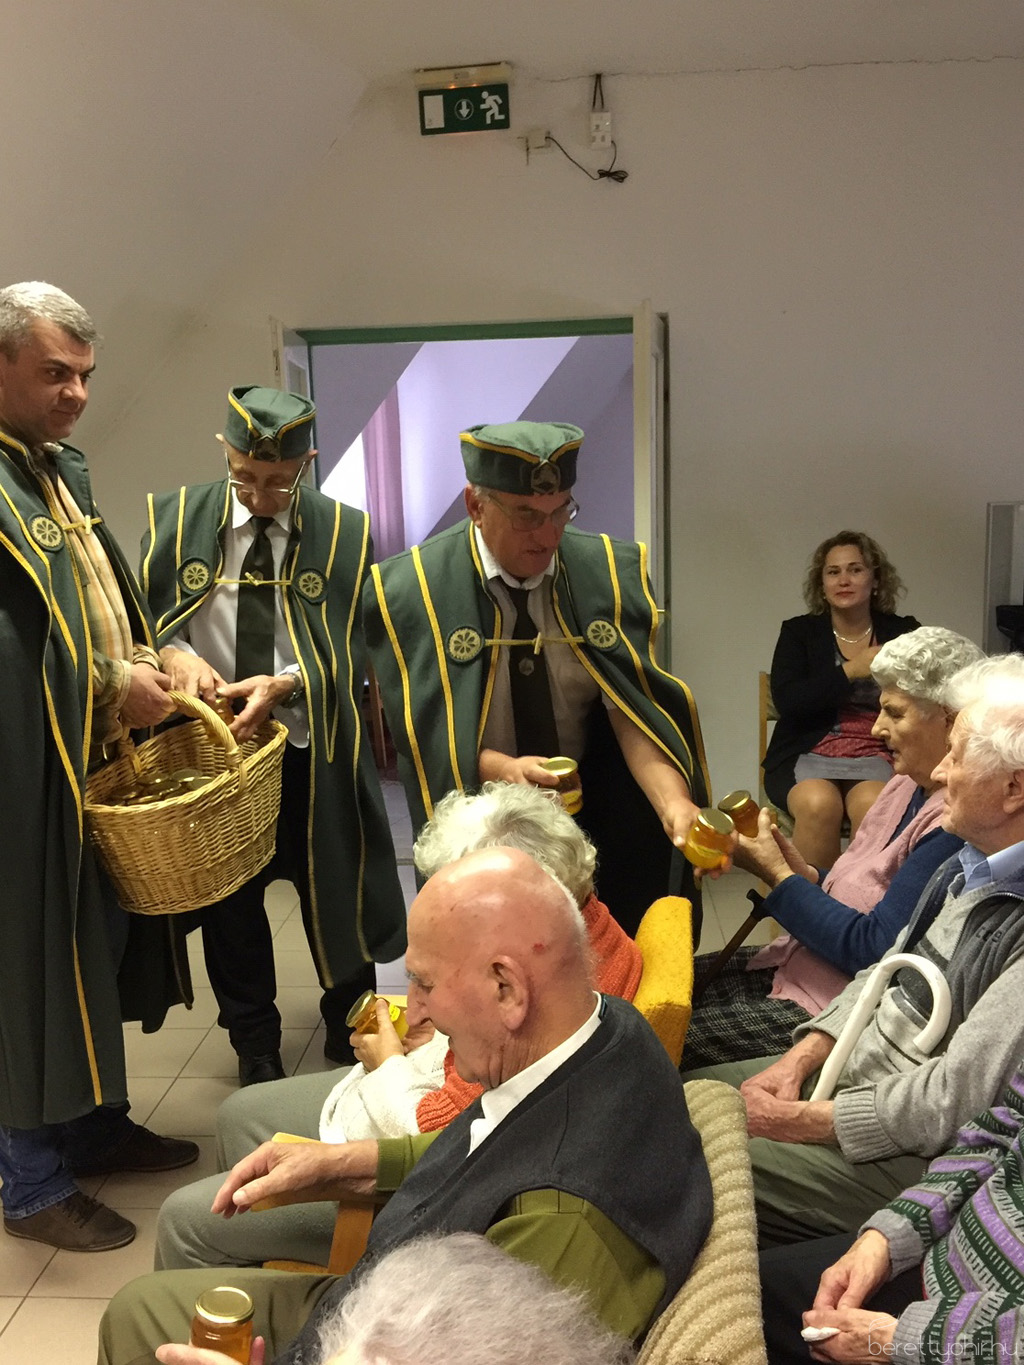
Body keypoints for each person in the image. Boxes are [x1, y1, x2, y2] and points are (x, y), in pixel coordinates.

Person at [99, 848, 714, 1363]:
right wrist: (351, 1163)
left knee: (135, 1317)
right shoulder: (607, 1030)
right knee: (140, 1307)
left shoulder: (562, 1229)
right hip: (398, 1303)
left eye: (424, 983)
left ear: (507, 989)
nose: (414, 1010)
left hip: (376, 1332)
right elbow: (499, 1150)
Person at [153, 782, 645, 1272]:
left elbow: (443, 1138)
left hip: (421, 1197)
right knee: (237, 1114)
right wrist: (441, 1035)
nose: (417, 1005)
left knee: (185, 1218)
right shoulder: (581, 936)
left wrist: (388, 1061)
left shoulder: (550, 998)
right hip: (424, 1128)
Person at [684, 653, 1024, 1246]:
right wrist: (798, 1061)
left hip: (913, 1149)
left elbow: (953, 1101)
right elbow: (882, 970)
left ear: (1013, 788)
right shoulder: (968, 863)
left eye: (958, 755)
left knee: (683, 1157)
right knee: (680, 1101)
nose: (940, 772)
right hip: (857, 1076)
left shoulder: (1003, 906)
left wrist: (807, 1120)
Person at [0, 281, 197, 1253]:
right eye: (54, 373)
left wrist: (160, 653)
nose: (76, 393)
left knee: (91, 953)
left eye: (84, 375)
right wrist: (110, 684)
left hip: (88, 766)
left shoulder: (51, 470)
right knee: (27, 968)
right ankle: (30, 1181)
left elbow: (98, 595)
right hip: (20, 776)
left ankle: (88, 1125)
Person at [140, 386, 406, 1084]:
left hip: (311, 743)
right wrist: (176, 653)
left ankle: (350, 1019)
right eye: (245, 478)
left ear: (306, 463)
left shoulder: (344, 531)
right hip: (218, 749)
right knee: (230, 902)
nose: (261, 496)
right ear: (224, 452)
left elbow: (359, 642)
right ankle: (253, 1041)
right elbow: (147, 624)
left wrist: (287, 682)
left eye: (280, 481)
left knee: (335, 882)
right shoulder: (174, 520)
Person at [362, 420, 711, 937]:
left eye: (561, 511)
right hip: (483, 808)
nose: (549, 537)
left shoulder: (607, 572)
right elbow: (424, 733)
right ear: (475, 505)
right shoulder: (408, 590)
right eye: (526, 515)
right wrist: (501, 768)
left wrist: (674, 805)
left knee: (619, 933)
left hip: (594, 797)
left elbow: (630, 711)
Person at [684, 627, 981, 1068]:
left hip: (834, 1008)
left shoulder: (955, 824)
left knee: (663, 1037)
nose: (877, 728)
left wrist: (778, 877)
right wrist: (801, 873)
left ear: (951, 719)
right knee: (669, 986)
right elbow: (857, 890)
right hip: (803, 963)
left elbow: (872, 950)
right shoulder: (904, 783)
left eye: (894, 713)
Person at [759, 1064, 1024, 1365]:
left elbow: (945, 1098)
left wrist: (911, 1344)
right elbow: (1003, 1131)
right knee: (753, 1291)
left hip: (962, 1341)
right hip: (942, 1257)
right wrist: (889, 1234)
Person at [763, 531, 920, 868]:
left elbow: (924, 695)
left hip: (879, 750)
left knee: (875, 807)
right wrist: (851, 670)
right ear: (822, 584)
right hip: (807, 750)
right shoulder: (798, 633)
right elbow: (789, 701)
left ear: (875, 580)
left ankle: (859, 900)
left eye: (855, 570)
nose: (843, 580)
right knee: (819, 805)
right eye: (833, 572)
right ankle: (809, 901)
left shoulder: (903, 632)